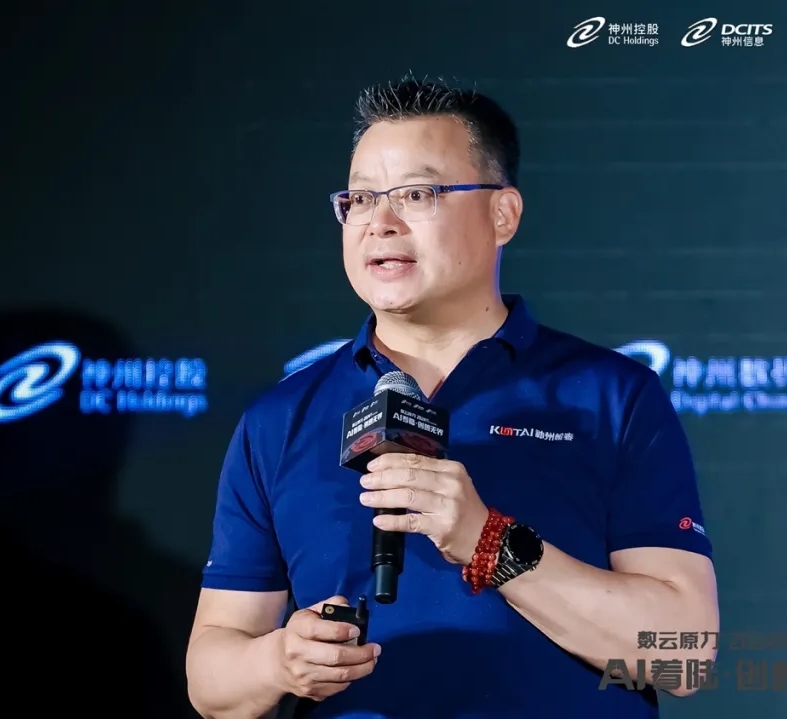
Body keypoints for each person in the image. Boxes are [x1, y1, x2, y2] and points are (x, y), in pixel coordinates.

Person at [186, 76, 719, 719]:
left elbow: (685, 655)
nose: (380, 223)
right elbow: (210, 678)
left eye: (417, 194)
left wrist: (488, 541)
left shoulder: (611, 396)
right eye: (360, 198)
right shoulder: (279, 419)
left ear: (503, 214)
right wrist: (277, 660)